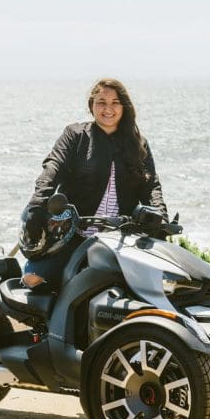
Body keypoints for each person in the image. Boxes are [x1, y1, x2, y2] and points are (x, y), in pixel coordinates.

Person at [21, 78, 168, 290]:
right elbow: (52, 169)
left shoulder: (138, 143)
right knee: (33, 279)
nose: (108, 108)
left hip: (123, 238)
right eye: (101, 102)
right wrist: (37, 205)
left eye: (115, 102)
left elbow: (151, 185)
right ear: (92, 106)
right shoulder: (75, 135)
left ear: (124, 107)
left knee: (156, 286)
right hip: (74, 232)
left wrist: (160, 216)